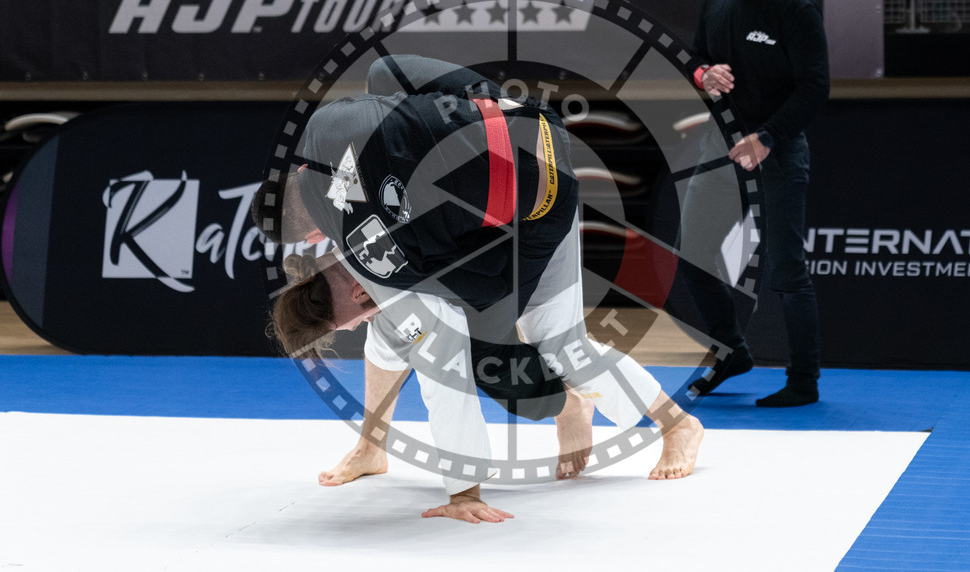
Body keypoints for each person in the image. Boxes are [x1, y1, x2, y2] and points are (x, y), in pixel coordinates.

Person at [261, 55, 704, 522]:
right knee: (400, 330)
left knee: (545, 344)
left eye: (350, 321)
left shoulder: (379, 257)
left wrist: (464, 493)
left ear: (315, 237)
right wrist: (491, 106)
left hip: (540, 209)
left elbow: (470, 315)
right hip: (530, 125)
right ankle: (372, 446)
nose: (359, 324)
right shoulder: (326, 129)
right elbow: (389, 69)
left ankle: (674, 424)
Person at [677, 0, 829, 408]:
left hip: (776, 152)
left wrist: (767, 138)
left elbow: (815, 87)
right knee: (691, 256)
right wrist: (703, 74)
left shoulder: (795, 7)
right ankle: (733, 352)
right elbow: (696, 55)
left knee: (786, 271)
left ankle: (804, 380)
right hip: (718, 147)